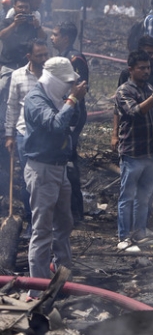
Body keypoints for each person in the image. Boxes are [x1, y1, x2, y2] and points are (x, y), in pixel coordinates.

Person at [22, 57, 86, 298]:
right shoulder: (35, 99)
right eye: (66, 82)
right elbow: (56, 125)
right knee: (42, 229)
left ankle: (63, 277)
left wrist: (74, 101)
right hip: (42, 169)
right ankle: (37, 290)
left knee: (64, 223)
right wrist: (72, 99)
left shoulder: (57, 98)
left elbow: (75, 120)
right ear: (53, 79)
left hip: (59, 168)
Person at [114, 50, 153, 252]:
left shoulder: (149, 87)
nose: (146, 71)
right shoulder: (124, 91)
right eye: (141, 68)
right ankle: (123, 237)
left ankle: (140, 232)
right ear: (130, 69)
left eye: (148, 67)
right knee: (127, 197)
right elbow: (135, 112)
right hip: (132, 153)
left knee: (144, 196)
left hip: (149, 153)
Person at [5, 39, 49, 236]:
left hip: (48, 135)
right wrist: (9, 135)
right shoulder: (18, 76)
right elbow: (12, 106)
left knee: (46, 180)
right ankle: (32, 222)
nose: (44, 59)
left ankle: (45, 224)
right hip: (24, 135)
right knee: (27, 181)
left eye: (45, 54)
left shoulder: (51, 76)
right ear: (29, 57)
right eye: (39, 55)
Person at [51, 22, 89, 224]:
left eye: (55, 34)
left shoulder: (74, 59)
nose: (52, 38)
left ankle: (76, 211)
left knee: (70, 161)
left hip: (73, 117)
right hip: (63, 115)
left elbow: (79, 89)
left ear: (65, 37)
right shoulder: (62, 57)